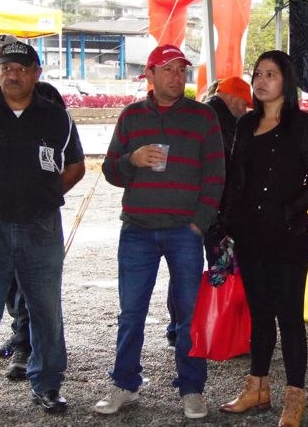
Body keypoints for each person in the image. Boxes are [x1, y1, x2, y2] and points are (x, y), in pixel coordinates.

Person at [0, 41, 85, 423]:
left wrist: (44, 197)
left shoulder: (56, 118)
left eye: (22, 68)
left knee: (46, 310)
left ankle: (47, 385)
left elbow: (75, 167)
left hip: (40, 228)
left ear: (36, 74)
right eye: (7, 68)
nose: (13, 74)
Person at [96, 44, 225, 419]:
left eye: (181, 69)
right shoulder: (132, 116)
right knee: (131, 312)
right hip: (137, 229)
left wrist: (200, 222)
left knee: (189, 313)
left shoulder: (203, 117)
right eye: (167, 69)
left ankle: (192, 388)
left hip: (185, 231)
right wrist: (131, 160)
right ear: (149, 75)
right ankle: (124, 384)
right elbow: (110, 170)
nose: (176, 76)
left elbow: (216, 174)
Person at [219, 50, 308, 427]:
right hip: (250, 237)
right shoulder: (246, 124)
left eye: (271, 74)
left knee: (290, 318)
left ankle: (294, 397)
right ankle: (257, 388)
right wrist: (225, 223)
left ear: (286, 81)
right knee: (261, 315)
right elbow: (236, 178)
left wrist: (291, 210)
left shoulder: (302, 125)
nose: (261, 81)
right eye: (257, 74)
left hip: (289, 238)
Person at [0, 34, 67, 382]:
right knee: (7, 286)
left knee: (35, 288)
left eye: (14, 62)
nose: (4, 67)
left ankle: (28, 350)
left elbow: (68, 160)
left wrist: (43, 197)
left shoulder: (46, 97)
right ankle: (20, 340)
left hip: (35, 216)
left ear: (31, 68)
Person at [165, 75, 252, 351]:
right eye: (245, 104)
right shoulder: (220, 122)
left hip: (188, 209)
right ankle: (219, 330)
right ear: (234, 98)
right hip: (214, 213)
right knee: (221, 271)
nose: (245, 110)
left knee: (184, 271)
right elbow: (226, 172)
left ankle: (178, 329)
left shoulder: (200, 114)